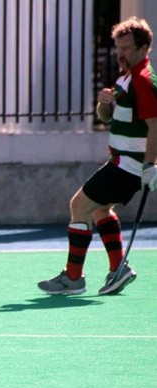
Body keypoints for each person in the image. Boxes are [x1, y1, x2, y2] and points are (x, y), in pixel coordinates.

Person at [38, 16, 157, 296]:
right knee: (101, 209)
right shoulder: (126, 78)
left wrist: (150, 165)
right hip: (122, 162)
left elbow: (155, 124)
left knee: (79, 206)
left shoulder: (142, 80)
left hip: (129, 165)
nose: (120, 54)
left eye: (126, 48)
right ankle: (119, 269)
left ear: (143, 49)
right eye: (118, 48)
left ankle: (73, 278)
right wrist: (104, 104)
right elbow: (107, 118)